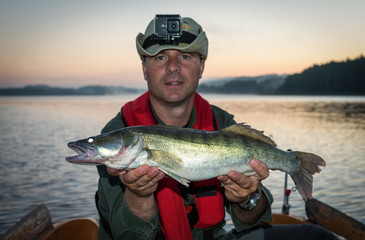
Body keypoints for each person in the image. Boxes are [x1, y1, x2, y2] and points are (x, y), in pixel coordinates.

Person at [95, 14, 336, 240]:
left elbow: (253, 218)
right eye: (160, 57)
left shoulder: (223, 123)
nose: (172, 66)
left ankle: (295, 163)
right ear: (144, 68)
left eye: (185, 56)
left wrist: (248, 198)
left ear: (201, 67)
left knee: (316, 236)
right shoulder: (121, 132)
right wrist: (138, 194)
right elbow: (124, 235)